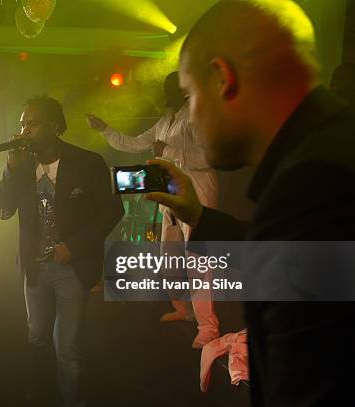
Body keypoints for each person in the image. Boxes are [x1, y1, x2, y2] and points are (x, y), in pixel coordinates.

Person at [145, 0, 355, 404]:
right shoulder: (324, 152)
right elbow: (293, 261)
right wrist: (201, 217)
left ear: (223, 78)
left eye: (190, 95)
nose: (190, 113)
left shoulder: (314, 181)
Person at [0, 96, 124, 406]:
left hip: (71, 267)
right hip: (35, 270)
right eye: (22, 124)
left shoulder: (87, 162)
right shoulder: (21, 166)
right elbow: (1, 210)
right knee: (36, 337)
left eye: (33, 124)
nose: (24, 131)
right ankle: (39, 395)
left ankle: (71, 401)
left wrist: (75, 246)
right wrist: (11, 168)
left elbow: (111, 211)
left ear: (54, 127)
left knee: (66, 346)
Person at [87, 72, 220, 347]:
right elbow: (133, 143)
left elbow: (211, 155)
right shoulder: (164, 122)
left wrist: (168, 151)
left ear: (183, 91)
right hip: (170, 194)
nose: (163, 95)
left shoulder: (199, 116)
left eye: (169, 89)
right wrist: (104, 129)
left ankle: (208, 326)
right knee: (168, 254)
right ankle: (185, 310)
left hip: (198, 192)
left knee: (197, 260)